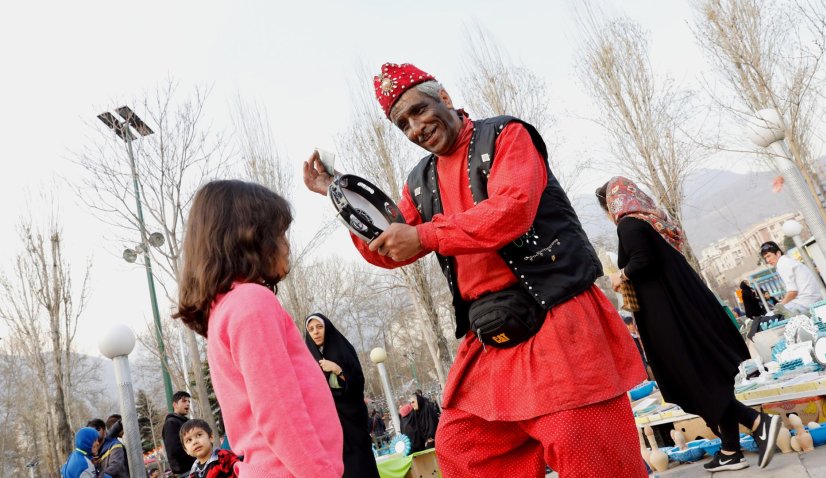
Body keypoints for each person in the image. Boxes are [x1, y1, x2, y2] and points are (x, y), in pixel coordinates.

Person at [303, 62, 647, 477]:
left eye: (418, 111)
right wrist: (337, 193)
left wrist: (427, 235)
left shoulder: (506, 136)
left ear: (444, 98)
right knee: (464, 450)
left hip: (555, 318)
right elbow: (391, 247)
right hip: (490, 338)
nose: (414, 128)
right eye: (403, 124)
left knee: (585, 446)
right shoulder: (420, 179)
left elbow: (512, 210)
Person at [596, 177, 781, 471]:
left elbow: (643, 261)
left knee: (692, 379)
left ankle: (758, 421)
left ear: (613, 204)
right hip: (689, 309)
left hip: (671, 318)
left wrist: (621, 276)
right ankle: (731, 450)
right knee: (708, 377)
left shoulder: (629, 225)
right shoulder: (653, 221)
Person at [173, 180, 343, 477]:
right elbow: (279, 412)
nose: (287, 245)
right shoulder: (250, 303)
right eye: (279, 234)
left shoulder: (227, 308)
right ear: (249, 238)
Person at [304, 313, 380, 478]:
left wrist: (338, 370)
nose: (315, 332)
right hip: (327, 432)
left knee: (361, 469)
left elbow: (358, 383)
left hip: (353, 425)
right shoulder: (306, 360)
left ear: (327, 328)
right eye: (311, 329)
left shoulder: (344, 350)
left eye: (319, 327)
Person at [759, 241, 822, 316]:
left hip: (804, 303)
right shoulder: (789, 261)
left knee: (769, 316)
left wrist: (780, 306)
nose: (767, 260)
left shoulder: (782, 264)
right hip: (813, 300)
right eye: (765, 258)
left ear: (778, 253)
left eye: (769, 256)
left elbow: (793, 292)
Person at [163, 391, 194, 477]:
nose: (187, 404)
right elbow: (174, 449)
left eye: (189, 401)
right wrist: (195, 455)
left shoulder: (185, 422)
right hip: (185, 471)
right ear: (175, 405)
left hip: (193, 468)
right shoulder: (171, 423)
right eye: (184, 401)